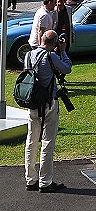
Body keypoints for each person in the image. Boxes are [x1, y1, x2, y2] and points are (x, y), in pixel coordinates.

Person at [24, 28, 72, 192]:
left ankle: (30, 179)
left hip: (32, 102)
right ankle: (45, 182)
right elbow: (67, 68)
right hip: (49, 103)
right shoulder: (51, 56)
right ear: (55, 43)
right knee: (47, 142)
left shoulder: (28, 55)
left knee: (31, 141)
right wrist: (63, 52)